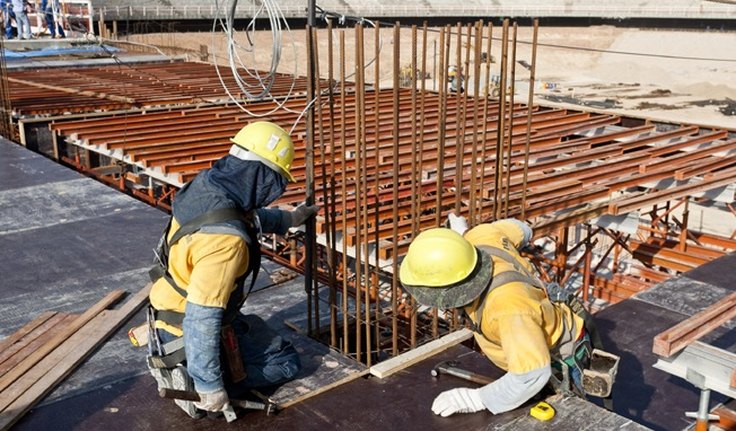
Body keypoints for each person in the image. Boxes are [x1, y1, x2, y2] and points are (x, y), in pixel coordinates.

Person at [146, 121, 319, 418]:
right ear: (262, 177)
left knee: (255, 327)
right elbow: (202, 318)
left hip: (165, 312)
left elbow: (243, 215)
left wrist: (290, 219)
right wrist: (209, 384)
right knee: (286, 359)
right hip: (185, 328)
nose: (274, 191)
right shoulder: (226, 242)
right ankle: (200, 383)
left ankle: (194, 369)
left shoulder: (206, 187)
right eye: (275, 181)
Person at [399, 217, 593, 417]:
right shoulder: (481, 235)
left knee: (571, 416)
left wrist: (477, 399)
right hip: (529, 334)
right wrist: (462, 237)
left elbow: (531, 375)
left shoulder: (507, 308)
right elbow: (523, 228)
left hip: (557, 359)